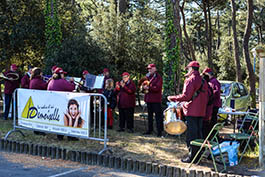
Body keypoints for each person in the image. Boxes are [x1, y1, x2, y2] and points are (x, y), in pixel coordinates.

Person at [167, 61, 208, 163]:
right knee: (199, 134)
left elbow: (186, 96)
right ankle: (198, 155)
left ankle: (192, 157)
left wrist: (172, 98)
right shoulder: (203, 80)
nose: (187, 71)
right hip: (201, 111)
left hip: (192, 111)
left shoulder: (190, 80)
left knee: (191, 135)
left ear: (191, 69)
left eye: (188, 69)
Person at [47, 67, 76, 141]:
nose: (64, 76)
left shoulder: (51, 81)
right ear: (60, 74)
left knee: (60, 120)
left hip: (53, 104)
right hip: (62, 103)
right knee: (67, 119)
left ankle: (60, 136)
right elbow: (71, 87)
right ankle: (70, 136)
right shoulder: (62, 81)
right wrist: (72, 82)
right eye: (63, 74)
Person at [142, 64, 163, 137]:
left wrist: (149, 87)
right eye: (148, 69)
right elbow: (143, 85)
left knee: (158, 116)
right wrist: (143, 87)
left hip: (156, 99)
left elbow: (157, 88)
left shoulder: (158, 77)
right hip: (148, 99)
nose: (149, 70)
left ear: (155, 69)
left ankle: (159, 132)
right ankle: (149, 130)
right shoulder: (147, 77)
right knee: (149, 116)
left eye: (151, 69)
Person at [202, 68, 221, 132]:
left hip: (214, 104)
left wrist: (209, 95)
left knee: (213, 121)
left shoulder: (214, 81)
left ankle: (213, 134)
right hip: (212, 104)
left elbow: (217, 92)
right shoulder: (210, 82)